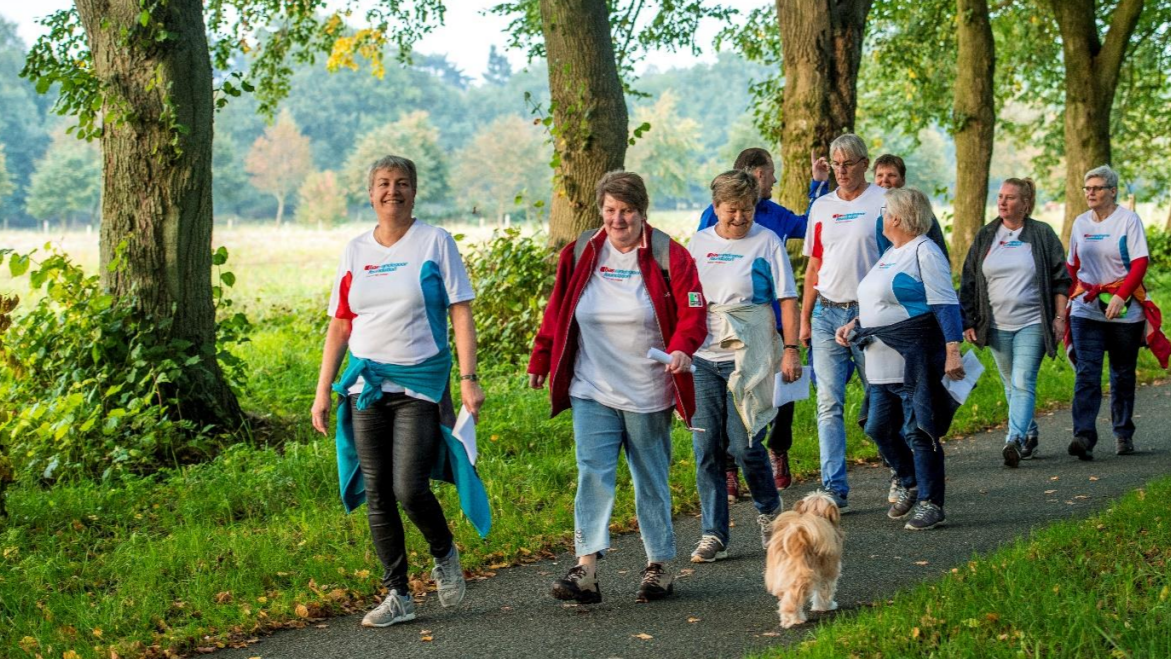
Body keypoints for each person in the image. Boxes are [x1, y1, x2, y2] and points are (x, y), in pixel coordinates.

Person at [311, 155, 488, 628]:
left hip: (420, 382)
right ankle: (398, 595)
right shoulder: (355, 250)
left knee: (408, 486)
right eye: (384, 183)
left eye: (402, 183)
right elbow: (341, 323)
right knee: (377, 492)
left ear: (414, 191)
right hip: (366, 385)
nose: (393, 191)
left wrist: (468, 379)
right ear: (371, 193)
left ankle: (444, 550)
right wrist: (323, 389)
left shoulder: (435, 242)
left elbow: (461, 312)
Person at [527, 171, 707, 604]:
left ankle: (659, 565)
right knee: (593, 473)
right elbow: (559, 309)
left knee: (649, 477)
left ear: (642, 211)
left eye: (626, 211)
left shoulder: (668, 254)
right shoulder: (581, 251)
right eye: (610, 210)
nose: (617, 219)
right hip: (591, 386)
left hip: (647, 389)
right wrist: (542, 354)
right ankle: (585, 569)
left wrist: (683, 347)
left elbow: (694, 310)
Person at [697, 148, 830, 495]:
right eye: (772, 173)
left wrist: (818, 186)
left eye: (747, 210)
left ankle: (777, 449)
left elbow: (811, 225)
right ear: (757, 175)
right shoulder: (708, 224)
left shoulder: (775, 218)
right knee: (725, 410)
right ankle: (729, 469)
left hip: (772, 321)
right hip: (721, 336)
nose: (776, 179)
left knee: (779, 394)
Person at [687, 169, 802, 563]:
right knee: (706, 448)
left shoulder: (767, 241)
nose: (740, 217)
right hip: (704, 356)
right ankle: (713, 534)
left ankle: (770, 512)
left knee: (745, 445)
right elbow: (687, 299)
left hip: (750, 354)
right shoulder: (699, 242)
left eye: (747, 209)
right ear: (716, 207)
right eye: (732, 210)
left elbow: (787, 297)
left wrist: (791, 348)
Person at [836, 187, 965, 530]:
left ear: (897, 217)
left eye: (884, 211)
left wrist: (953, 349)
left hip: (914, 356)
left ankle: (931, 503)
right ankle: (909, 480)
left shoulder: (924, 251)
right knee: (878, 426)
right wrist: (855, 323)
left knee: (919, 429)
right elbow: (877, 302)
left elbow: (944, 302)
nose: (881, 217)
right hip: (879, 359)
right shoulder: (892, 252)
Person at [800, 134, 887, 512]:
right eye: (836, 163)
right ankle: (834, 487)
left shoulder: (883, 202)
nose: (842, 170)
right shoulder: (822, 206)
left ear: (865, 163)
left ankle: (901, 472)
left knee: (883, 399)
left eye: (849, 163)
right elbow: (813, 266)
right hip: (826, 312)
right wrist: (804, 319)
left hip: (870, 315)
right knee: (828, 403)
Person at [960, 178, 1070, 467]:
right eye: (1000, 196)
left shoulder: (1042, 234)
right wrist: (968, 320)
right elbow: (969, 281)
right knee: (1011, 385)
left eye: (1010, 197)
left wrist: (1060, 318)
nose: (1003, 202)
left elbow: (1061, 280)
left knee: (1022, 381)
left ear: (1025, 204)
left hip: (1032, 322)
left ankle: (1014, 439)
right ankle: (1030, 433)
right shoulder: (987, 236)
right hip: (995, 325)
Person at [1066, 165, 1169, 459]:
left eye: (1097, 188)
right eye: (1087, 188)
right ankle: (1083, 436)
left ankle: (1123, 433)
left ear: (1112, 191)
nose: (1091, 193)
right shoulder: (1080, 223)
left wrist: (1121, 296)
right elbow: (1072, 265)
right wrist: (1069, 300)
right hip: (1086, 309)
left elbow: (1139, 263)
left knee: (1122, 374)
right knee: (1087, 373)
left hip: (1125, 312)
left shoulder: (1128, 221)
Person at [872, 154, 950, 261]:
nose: (885, 180)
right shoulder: (869, 212)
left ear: (903, 180)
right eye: (879, 175)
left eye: (891, 175)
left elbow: (940, 252)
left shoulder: (919, 212)